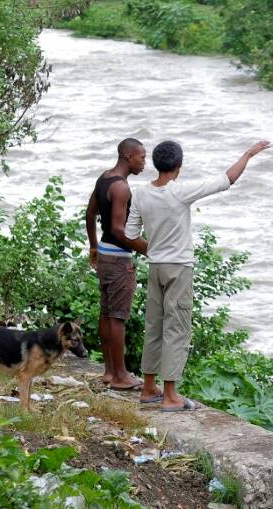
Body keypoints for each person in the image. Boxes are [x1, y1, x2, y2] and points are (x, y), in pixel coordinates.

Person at [125, 139, 271, 410]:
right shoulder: (180, 192)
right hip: (179, 268)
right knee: (177, 328)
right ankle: (170, 396)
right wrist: (248, 154)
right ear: (178, 167)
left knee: (154, 326)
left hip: (155, 267)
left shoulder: (141, 193)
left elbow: (131, 234)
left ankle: (148, 388)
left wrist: (154, 250)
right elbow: (226, 179)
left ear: (156, 165)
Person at [86, 138, 148, 390]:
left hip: (104, 254)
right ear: (126, 156)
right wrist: (148, 249)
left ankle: (110, 372)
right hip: (119, 259)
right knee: (118, 316)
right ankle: (122, 376)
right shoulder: (121, 188)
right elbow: (119, 230)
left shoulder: (104, 178)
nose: (144, 162)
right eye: (141, 157)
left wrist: (93, 246)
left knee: (107, 312)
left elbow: (90, 213)